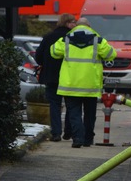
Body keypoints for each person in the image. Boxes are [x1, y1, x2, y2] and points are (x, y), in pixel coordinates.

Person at [51, 17, 116, 148]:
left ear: (75, 26)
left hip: (71, 84)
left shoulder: (65, 40)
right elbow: (111, 54)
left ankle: (77, 139)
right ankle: (87, 139)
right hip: (90, 85)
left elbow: (53, 52)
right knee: (90, 114)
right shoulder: (98, 40)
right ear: (89, 26)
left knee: (74, 113)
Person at [35, 13, 77, 141]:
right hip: (69, 77)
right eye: (73, 22)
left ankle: (56, 133)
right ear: (68, 23)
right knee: (71, 105)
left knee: (54, 104)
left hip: (51, 76)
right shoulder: (73, 38)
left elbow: (39, 57)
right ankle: (68, 132)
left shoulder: (48, 37)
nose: (75, 25)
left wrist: (46, 64)